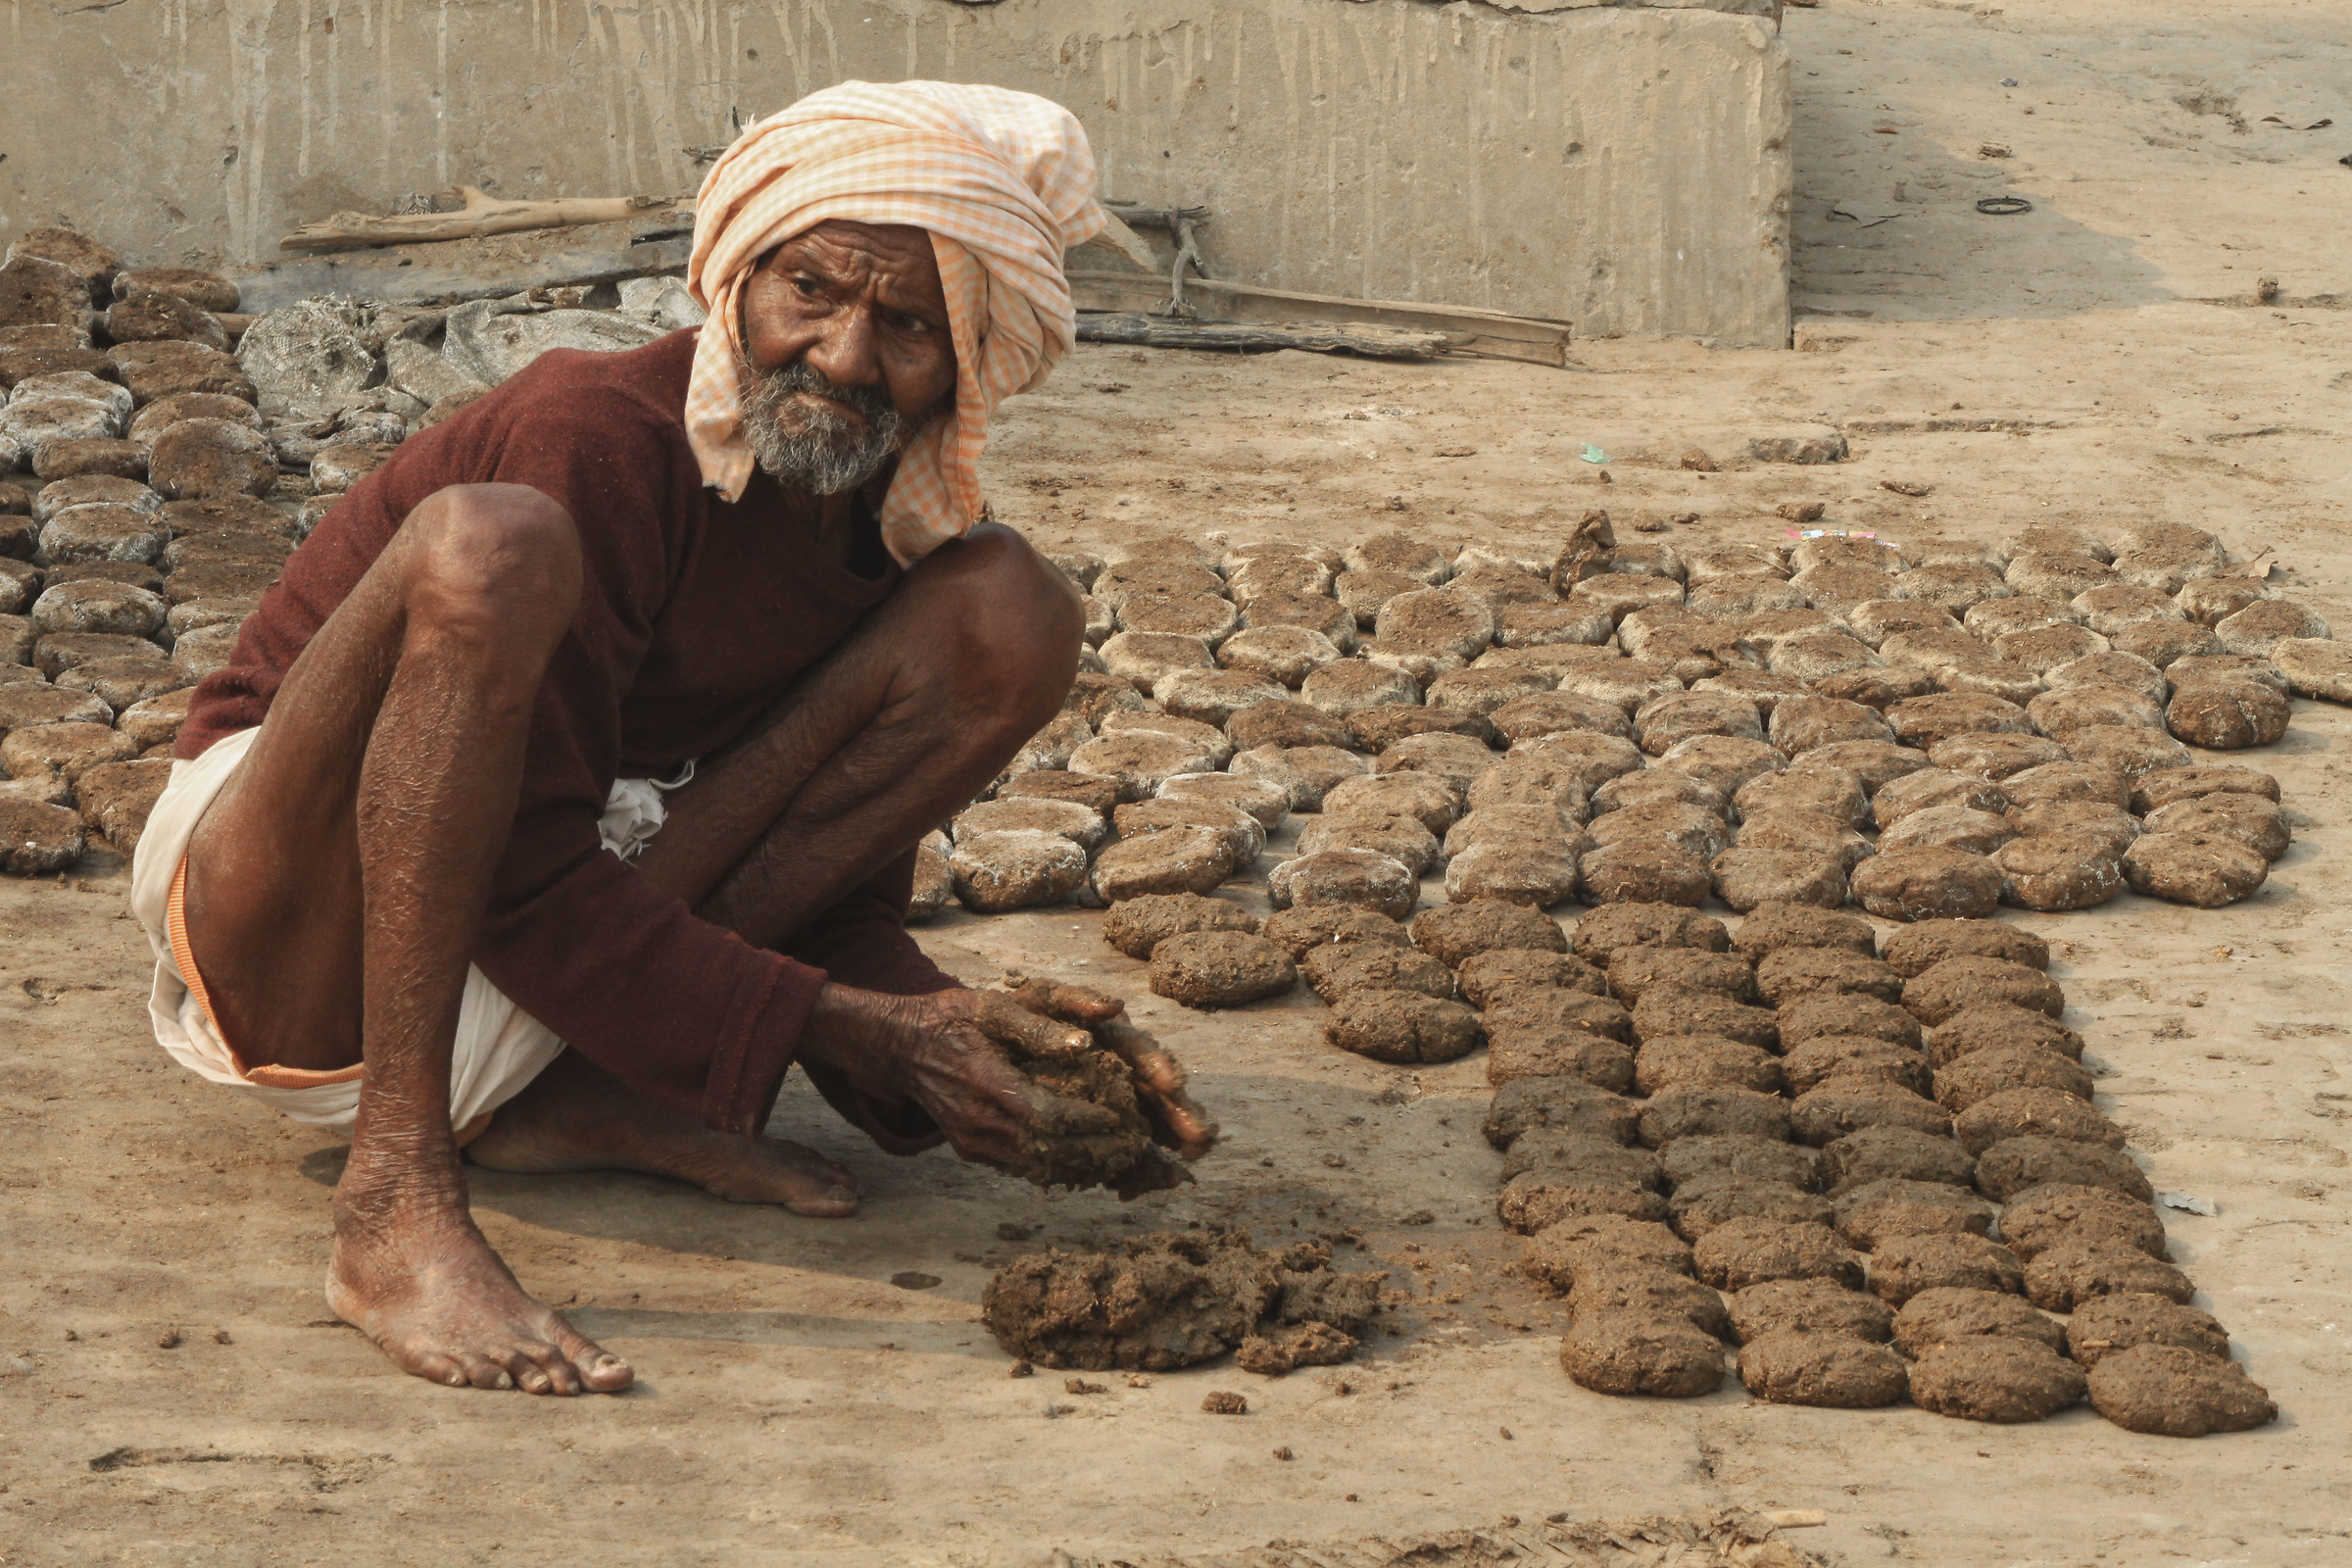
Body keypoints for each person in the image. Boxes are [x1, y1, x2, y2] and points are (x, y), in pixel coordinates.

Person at [126, 80, 1209, 1397]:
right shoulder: (600, 437)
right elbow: (518, 863)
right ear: (736, 278)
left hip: (539, 927)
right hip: (298, 926)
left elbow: (826, 882)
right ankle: (395, 1200)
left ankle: (558, 1094)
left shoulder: (877, 524)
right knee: (491, 545)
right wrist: (844, 1032)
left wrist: (956, 1042)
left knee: (1010, 611)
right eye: (811, 291)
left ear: (972, 361)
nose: (847, 359)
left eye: (911, 326)